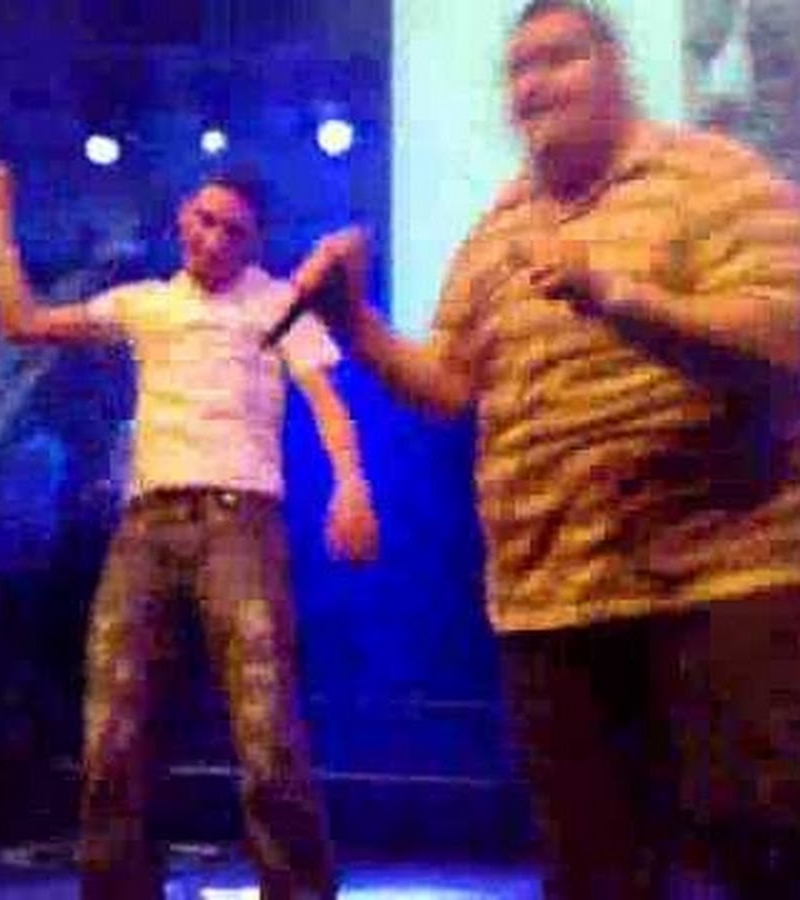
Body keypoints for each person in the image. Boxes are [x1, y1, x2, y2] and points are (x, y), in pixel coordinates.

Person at [296, 0, 800, 896]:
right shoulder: (497, 231)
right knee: (591, 872)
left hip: (721, 581)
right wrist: (354, 321)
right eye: (519, 69)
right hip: (551, 601)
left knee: (759, 852)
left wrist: (621, 298)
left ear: (618, 71)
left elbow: (783, 337)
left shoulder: (716, 177)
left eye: (559, 58)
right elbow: (449, 387)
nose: (533, 83)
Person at [0, 161, 379, 900]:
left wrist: (351, 485)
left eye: (235, 230)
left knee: (266, 731)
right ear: (183, 218)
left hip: (240, 523)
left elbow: (328, 402)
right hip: (147, 525)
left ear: (255, 241)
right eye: (205, 220)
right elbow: (21, 323)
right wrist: (0, 215)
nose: (215, 238)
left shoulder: (278, 303)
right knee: (114, 733)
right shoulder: (144, 303)